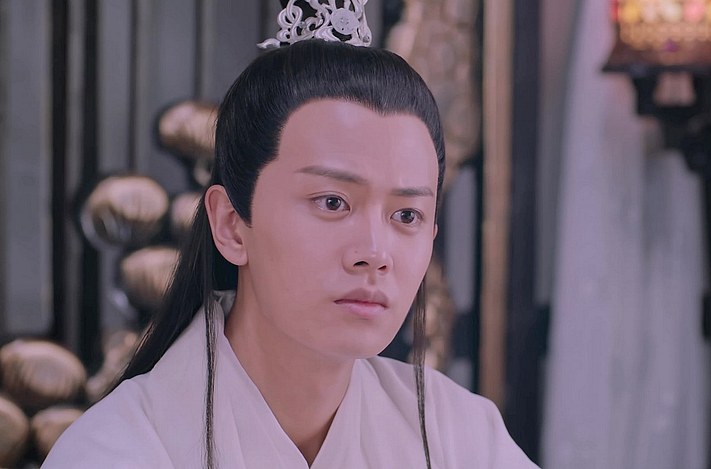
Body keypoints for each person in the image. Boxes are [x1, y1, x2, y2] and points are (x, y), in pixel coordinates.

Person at [44, 5, 537, 469]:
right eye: (332, 202)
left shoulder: (458, 434)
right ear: (230, 224)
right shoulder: (119, 449)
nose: (374, 253)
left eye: (406, 214)